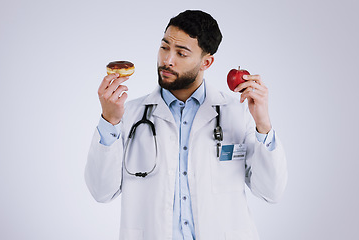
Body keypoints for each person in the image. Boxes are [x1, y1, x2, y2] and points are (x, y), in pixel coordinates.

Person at [85, 10, 287, 240]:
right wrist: (109, 120)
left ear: (206, 62)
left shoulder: (237, 112)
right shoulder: (128, 115)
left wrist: (263, 123)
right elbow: (101, 192)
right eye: (164, 47)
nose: (167, 60)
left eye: (181, 53)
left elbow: (271, 192)